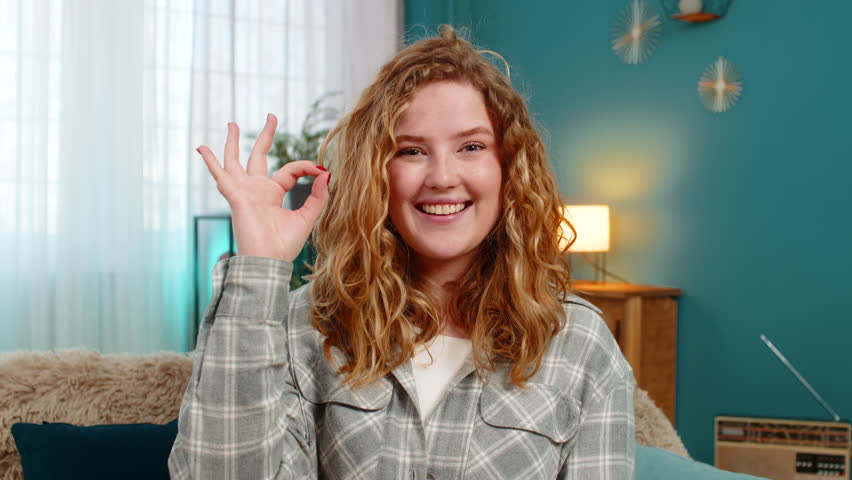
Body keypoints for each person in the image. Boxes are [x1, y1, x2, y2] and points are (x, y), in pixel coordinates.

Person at [168, 25, 635, 479]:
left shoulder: (582, 345)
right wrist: (259, 266)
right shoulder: (307, 326)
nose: (442, 176)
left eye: (471, 146)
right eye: (411, 151)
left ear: (509, 168)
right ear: (378, 174)